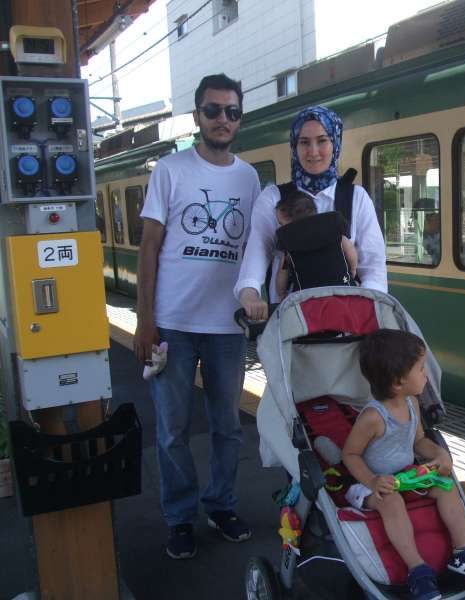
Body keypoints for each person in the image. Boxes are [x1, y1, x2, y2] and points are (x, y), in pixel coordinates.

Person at [133, 73, 261, 559]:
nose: (223, 119)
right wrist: (145, 321)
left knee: (228, 427)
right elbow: (149, 247)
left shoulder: (248, 178)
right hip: (172, 324)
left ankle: (221, 503)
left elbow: (256, 246)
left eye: (231, 111)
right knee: (172, 431)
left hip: (226, 325)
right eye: (213, 110)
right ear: (197, 117)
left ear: (238, 119)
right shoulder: (170, 169)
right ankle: (180, 516)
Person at [342, 329, 465, 600]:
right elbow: (350, 455)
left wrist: (439, 453)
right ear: (399, 381)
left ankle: (463, 552)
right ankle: (417, 569)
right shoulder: (373, 417)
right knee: (392, 501)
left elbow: (418, 441)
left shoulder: (412, 403)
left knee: (446, 486)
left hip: (405, 477)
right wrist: (372, 481)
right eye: (421, 368)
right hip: (371, 486)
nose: (426, 373)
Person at [235, 105, 387, 320]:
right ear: (294, 146)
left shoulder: (356, 197)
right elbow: (257, 252)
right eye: (304, 142)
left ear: (335, 143)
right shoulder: (273, 198)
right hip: (290, 324)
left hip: (347, 326)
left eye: (322, 140)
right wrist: (249, 291)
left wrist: (369, 307)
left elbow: (373, 265)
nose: (313, 151)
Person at [274, 189, 358, 300]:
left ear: (290, 223)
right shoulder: (333, 228)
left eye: (281, 223)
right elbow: (350, 250)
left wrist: (281, 293)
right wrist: (353, 269)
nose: (280, 227)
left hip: (307, 297)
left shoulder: (290, 242)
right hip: (342, 288)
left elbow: (282, 272)